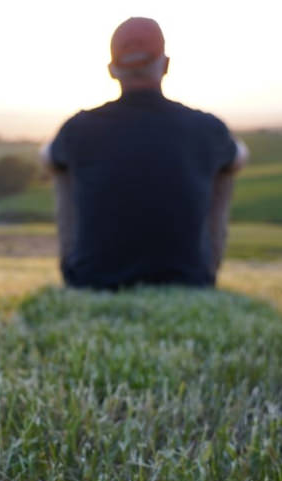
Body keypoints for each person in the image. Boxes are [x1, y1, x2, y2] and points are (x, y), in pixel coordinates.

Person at [43, 17, 249, 290]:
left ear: (112, 70)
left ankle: (78, 266)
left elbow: (46, 159)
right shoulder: (208, 128)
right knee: (227, 163)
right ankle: (204, 266)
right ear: (165, 65)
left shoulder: (78, 128)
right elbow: (239, 159)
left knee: (61, 164)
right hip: (190, 280)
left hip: (92, 280)